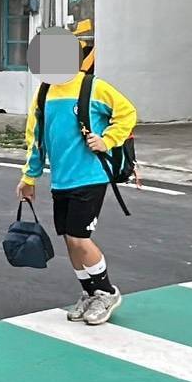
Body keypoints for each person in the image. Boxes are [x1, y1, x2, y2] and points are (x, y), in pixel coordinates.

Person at [17, 19, 138, 326]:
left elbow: (127, 113)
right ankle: (90, 292)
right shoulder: (44, 93)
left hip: (90, 176)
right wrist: (28, 178)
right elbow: (36, 139)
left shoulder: (94, 87)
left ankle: (107, 292)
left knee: (79, 238)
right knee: (70, 242)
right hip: (61, 180)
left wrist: (107, 140)